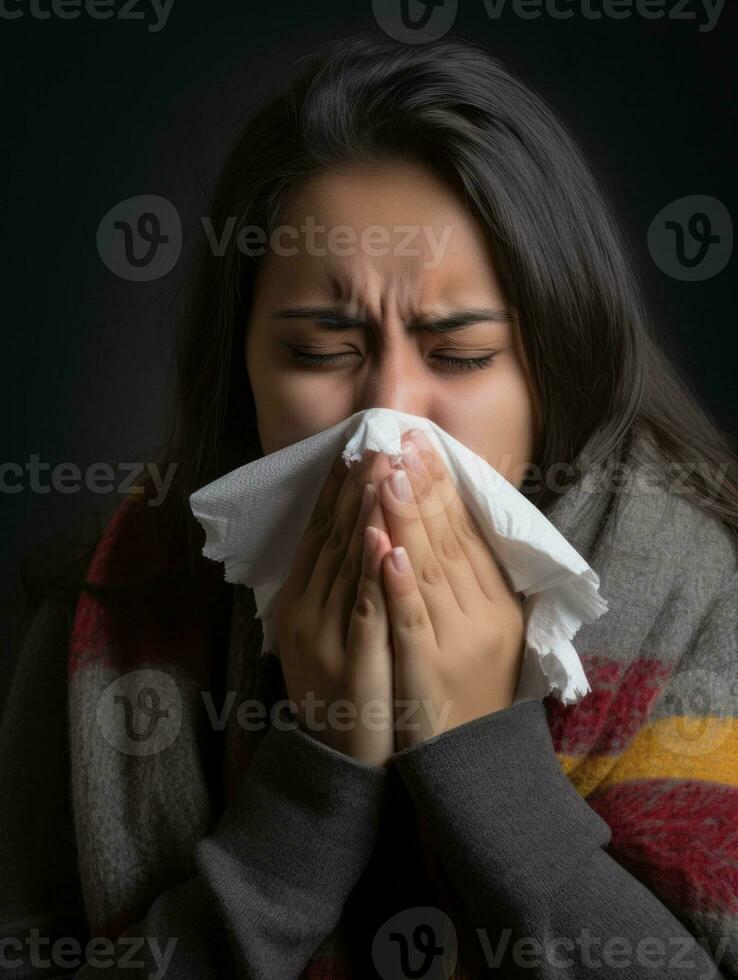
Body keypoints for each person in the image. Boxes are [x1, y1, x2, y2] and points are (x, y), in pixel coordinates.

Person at [1, 29, 736, 980]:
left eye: (461, 355)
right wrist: (312, 780)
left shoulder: (704, 607)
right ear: (245, 376)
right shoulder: (97, 615)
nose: (388, 421)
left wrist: (486, 758)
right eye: (319, 351)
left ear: (556, 372)